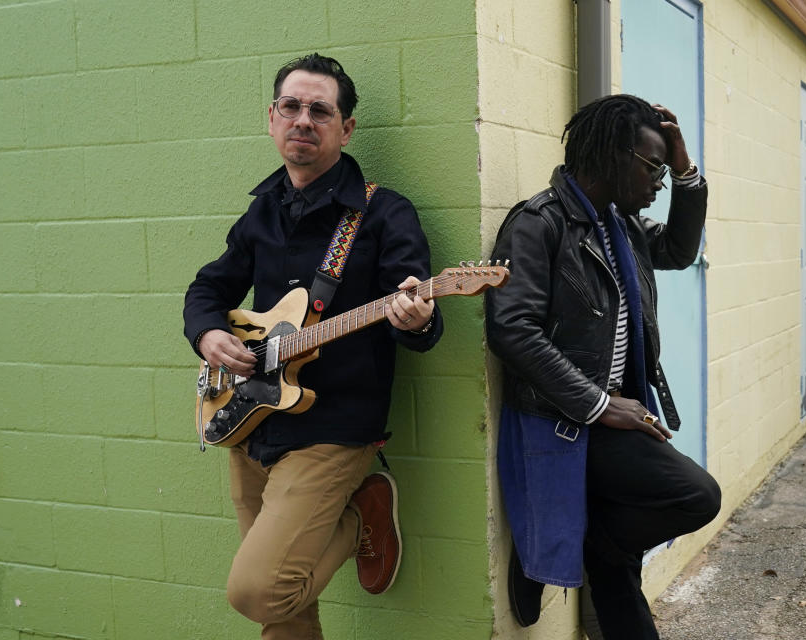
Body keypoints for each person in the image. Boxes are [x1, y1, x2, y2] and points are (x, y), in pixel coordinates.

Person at [183, 53, 442, 639]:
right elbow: (210, 286)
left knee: (259, 591)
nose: (303, 119)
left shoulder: (382, 212)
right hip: (251, 417)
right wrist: (209, 335)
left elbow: (421, 326)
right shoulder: (262, 211)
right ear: (271, 118)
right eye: (291, 107)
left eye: (320, 110)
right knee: (287, 608)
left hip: (335, 427)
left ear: (345, 129)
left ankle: (358, 516)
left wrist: (415, 316)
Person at [485, 94, 721, 639]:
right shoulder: (538, 224)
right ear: (614, 155)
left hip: (616, 408)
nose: (659, 182)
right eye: (653, 166)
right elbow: (512, 330)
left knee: (619, 583)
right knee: (697, 495)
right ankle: (597, 543)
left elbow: (682, 250)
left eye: (666, 170)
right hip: (566, 418)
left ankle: (598, 543)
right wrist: (598, 403)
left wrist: (686, 170)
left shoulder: (624, 227)